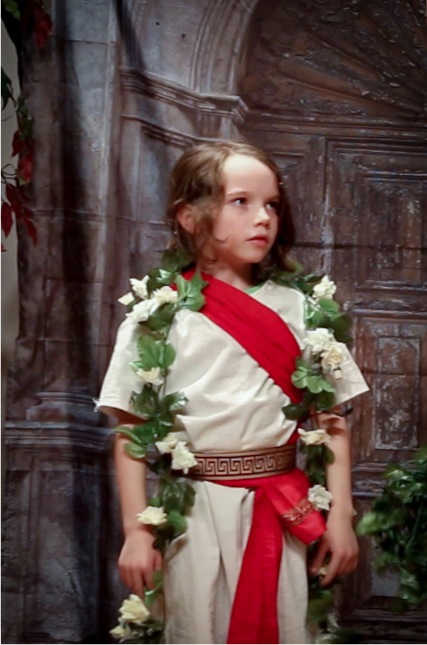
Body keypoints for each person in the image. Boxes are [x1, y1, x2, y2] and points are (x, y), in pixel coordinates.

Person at [98, 140, 369, 644]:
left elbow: (331, 420)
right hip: (194, 513)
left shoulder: (303, 309)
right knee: (197, 625)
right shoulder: (158, 315)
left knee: (286, 624)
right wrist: (137, 530)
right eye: (241, 202)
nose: (263, 218)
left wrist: (341, 517)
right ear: (189, 216)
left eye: (272, 205)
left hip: (282, 508)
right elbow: (131, 430)